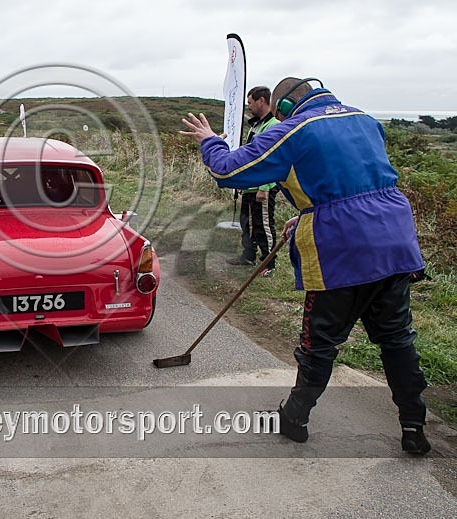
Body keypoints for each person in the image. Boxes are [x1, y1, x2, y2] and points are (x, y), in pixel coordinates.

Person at [180, 77, 430, 455]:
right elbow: (356, 183)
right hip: (394, 240)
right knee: (397, 339)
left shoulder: (293, 129)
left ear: (282, 107)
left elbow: (230, 172)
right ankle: (414, 427)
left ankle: (295, 417)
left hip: (341, 250)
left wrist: (209, 141)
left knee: (320, 342)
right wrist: (305, 214)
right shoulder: (364, 118)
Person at [226, 86, 280, 276]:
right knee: (247, 223)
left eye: (250, 102)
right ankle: (248, 256)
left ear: (261, 101)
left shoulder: (273, 126)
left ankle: (269, 264)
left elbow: (272, 160)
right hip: (249, 185)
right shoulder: (255, 126)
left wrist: (265, 187)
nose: (248, 106)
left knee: (262, 225)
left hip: (262, 186)